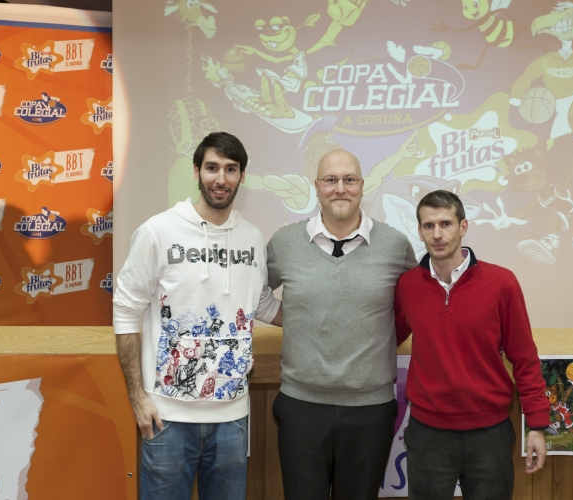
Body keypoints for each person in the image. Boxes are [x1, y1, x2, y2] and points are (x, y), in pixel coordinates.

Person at [113, 132, 281, 500]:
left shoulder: (252, 238)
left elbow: (264, 305)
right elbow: (125, 311)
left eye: (231, 169)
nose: (221, 178)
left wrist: (326, 313)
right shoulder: (158, 232)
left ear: (242, 176)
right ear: (196, 171)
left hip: (232, 420)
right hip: (166, 419)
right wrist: (137, 397)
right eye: (212, 168)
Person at [266, 149, 417, 500]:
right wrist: (297, 317)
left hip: (371, 410)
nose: (340, 188)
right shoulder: (285, 242)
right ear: (316, 186)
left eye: (349, 180)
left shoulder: (395, 245)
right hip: (301, 405)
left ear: (362, 186)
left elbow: (416, 304)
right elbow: (253, 292)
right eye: (331, 180)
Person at [394, 190, 550, 500]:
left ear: (463, 227)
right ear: (420, 231)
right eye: (429, 226)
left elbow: (524, 357)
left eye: (446, 224)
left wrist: (537, 425)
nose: (437, 234)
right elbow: (385, 339)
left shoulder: (502, 283)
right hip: (428, 434)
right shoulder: (407, 285)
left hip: (490, 435)